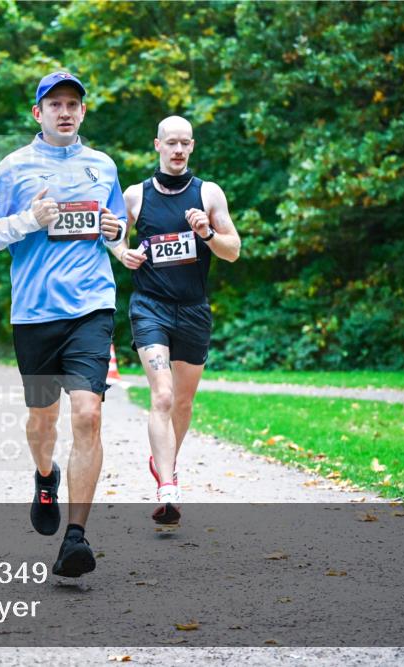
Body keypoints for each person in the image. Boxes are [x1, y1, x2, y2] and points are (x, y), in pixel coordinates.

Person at [0, 71, 127, 577]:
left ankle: (76, 538)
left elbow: (116, 231)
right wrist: (27, 221)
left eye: (73, 103)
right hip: (34, 313)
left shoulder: (102, 165)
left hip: (92, 307)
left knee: (88, 416)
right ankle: (44, 474)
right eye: (54, 103)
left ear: (83, 112)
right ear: (38, 113)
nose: (64, 111)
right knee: (43, 422)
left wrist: (115, 231)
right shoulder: (13, 168)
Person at [110, 116, 241, 525]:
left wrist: (206, 234)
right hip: (150, 306)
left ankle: (164, 464)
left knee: (183, 402)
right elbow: (114, 233)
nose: (179, 150)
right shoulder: (135, 195)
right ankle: (167, 486)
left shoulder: (209, 193)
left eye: (185, 143)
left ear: (193, 146)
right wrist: (122, 253)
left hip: (194, 309)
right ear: (157, 145)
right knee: (163, 395)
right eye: (171, 143)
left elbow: (233, 250)